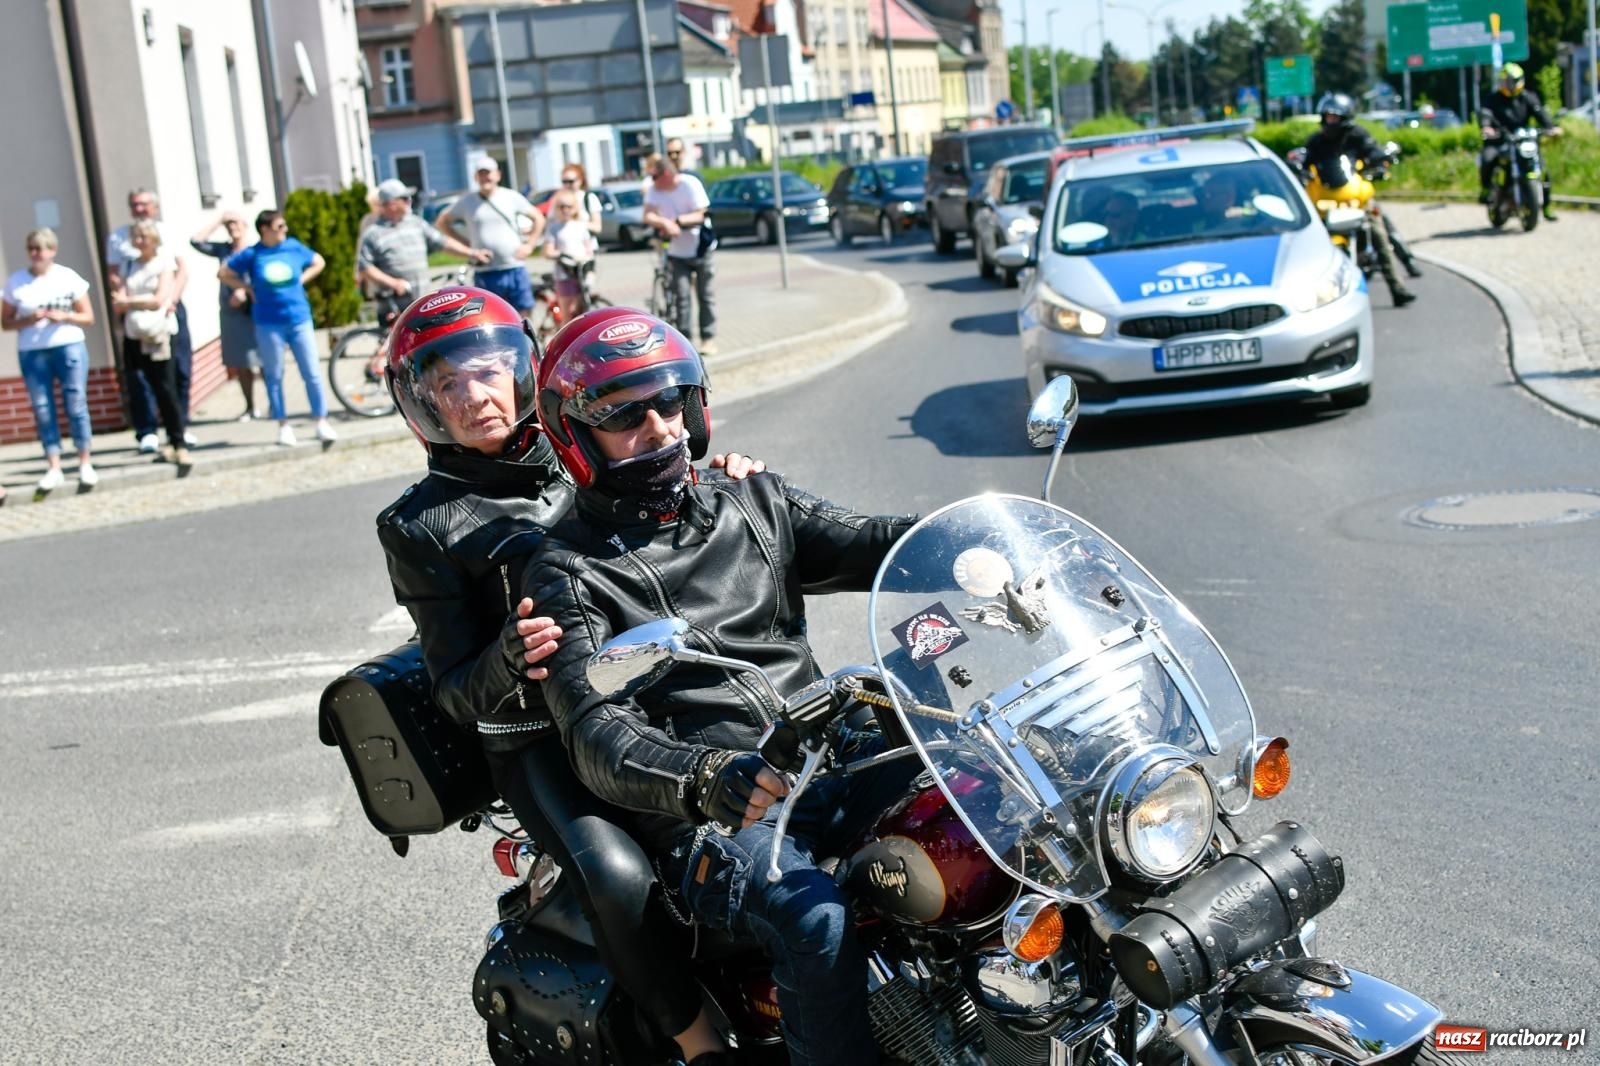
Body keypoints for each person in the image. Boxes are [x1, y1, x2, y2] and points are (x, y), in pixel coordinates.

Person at [522, 310, 920, 1066]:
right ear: (575, 435)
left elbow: (871, 540)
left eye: (670, 403)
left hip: (827, 756)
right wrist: (705, 778)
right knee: (815, 920)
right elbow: (596, 730)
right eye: (623, 415)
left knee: (993, 804)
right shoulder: (568, 571)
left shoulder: (749, 498)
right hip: (721, 816)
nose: (660, 427)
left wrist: (973, 539)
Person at [381, 293, 767, 1066]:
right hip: (534, 738)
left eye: (486, 373)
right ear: (421, 405)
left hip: (648, 693)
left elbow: (664, 482)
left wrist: (719, 479)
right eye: (447, 385)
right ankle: (702, 1045)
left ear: (521, 372)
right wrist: (507, 657)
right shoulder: (420, 523)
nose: (473, 397)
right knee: (618, 874)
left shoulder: (581, 445)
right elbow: (452, 686)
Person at [219, 210, 338, 447]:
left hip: (299, 318)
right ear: (265, 229)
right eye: (280, 226)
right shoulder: (254, 254)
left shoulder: (293, 247)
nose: (284, 230)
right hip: (268, 322)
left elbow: (318, 261)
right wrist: (246, 288)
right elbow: (223, 273)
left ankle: (321, 420)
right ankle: (283, 425)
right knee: (274, 375)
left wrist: (302, 279)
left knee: (311, 372)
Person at [2, 227, 98, 490]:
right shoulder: (17, 281)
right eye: (32, 248)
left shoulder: (67, 278)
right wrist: (27, 319)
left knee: (75, 402)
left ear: (52, 250)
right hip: (32, 350)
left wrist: (63, 316)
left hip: (67, 345)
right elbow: (6, 322)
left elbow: (88, 317)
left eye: (41, 248)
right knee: (43, 408)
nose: (36, 254)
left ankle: (84, 461)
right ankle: (54, 465)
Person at [1305, 93, 1415, 308]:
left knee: (1378, 233)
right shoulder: (1316, 141)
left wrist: (1379, 157)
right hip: (1326, 198)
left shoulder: (1357, 135)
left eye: (1335, 117)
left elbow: (1372, 149)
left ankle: (1398, 287)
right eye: (1328, 117)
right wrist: (1300, 169)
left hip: (1355, 196)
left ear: (1345, 118)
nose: (1331, 121)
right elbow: (1305, 160)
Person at [107, 188, 195, 453]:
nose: (140, 209)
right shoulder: (119, 238)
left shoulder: (167, 233)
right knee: (139, 376)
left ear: (154, 207)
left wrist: (171, 301)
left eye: (145, 204)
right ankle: (147, 430)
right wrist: (124, 300)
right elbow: (114, 275)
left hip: (167, 311)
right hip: (135, 318)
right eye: (135, 204)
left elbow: (181, 271)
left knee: (176, 371)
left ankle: (179, 425)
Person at [358, 178, 488, 327]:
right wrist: (393, 283)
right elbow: (365, 267)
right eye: (405, 198)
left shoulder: (416, 223)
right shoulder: (373, 233)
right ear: (392, 204)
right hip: (393, 305)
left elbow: (442, 242)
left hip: (421, 303)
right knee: (392, 347)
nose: (410, 201)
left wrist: (472, 253)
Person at [435, 156, 545, 319]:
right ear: (476, 177)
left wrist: (529, 245)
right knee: (492, 316)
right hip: (486, 271)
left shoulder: (511, 197)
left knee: (522, 315)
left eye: (488, 173)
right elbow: (442, 222)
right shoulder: (467, 201)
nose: (485, 177)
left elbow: (538, 218)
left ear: (498, 175)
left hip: (513, 267)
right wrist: (468, 247)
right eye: (481, 174)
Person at [642, 158, 718, 355]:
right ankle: (685, 343)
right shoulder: (655, 190)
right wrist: (664, 223)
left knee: (705, 294)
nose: (651, 180)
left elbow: (702, 214)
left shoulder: (689, 184)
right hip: (676, 251)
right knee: (681, 297)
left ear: (666, 174)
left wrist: (677, 221)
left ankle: (708, 338)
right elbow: (647, 215)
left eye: (654, 176)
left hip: (700, 247)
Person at [191, 212, 261, 420]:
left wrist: (245, 290)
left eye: (236, 224)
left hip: (254, 310)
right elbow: (196, 241)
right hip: (231, 313)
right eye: (229, 226)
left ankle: (275, 404)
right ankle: (250, 406)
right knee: (241, 362)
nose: (233, 229)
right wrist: (218, 220)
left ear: (246, 225)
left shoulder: (254, 250)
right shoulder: (224, 250)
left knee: (264, 359)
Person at [1479, 62, 1562, 221]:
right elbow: (1485, 114)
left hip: (1523, 140)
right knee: (1487, 158)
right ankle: (1486, 190)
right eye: (1504, 81)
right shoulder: (1493, 99)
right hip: (1499, 140)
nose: (1506, 84)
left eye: (1509, 81)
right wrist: (1487, 127)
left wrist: (1551, 128)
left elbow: (1540, 114)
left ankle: (1546, 206)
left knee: (1543, 170)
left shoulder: (1527, 97)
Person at [542, 189, 598, 323]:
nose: (565, 210)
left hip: (580, 272)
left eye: (569, 206)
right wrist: (562, 255)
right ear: (557, 208)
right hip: (564, 273)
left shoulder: (581, 226)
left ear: (575, 208)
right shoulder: (553, 228)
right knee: (567, 313)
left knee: (584, 308)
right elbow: (547, 251)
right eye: (562, 207)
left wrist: (586, 258)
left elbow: (588, 249)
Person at [559, 163, 605, 239]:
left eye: (571, 181)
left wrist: (574, 224)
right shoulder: (559, 199)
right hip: (564, 247)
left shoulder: (589, 198)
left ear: (580, 180)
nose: (567, 185)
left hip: (587, 246)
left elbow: (597, 227)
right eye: (564, 181)